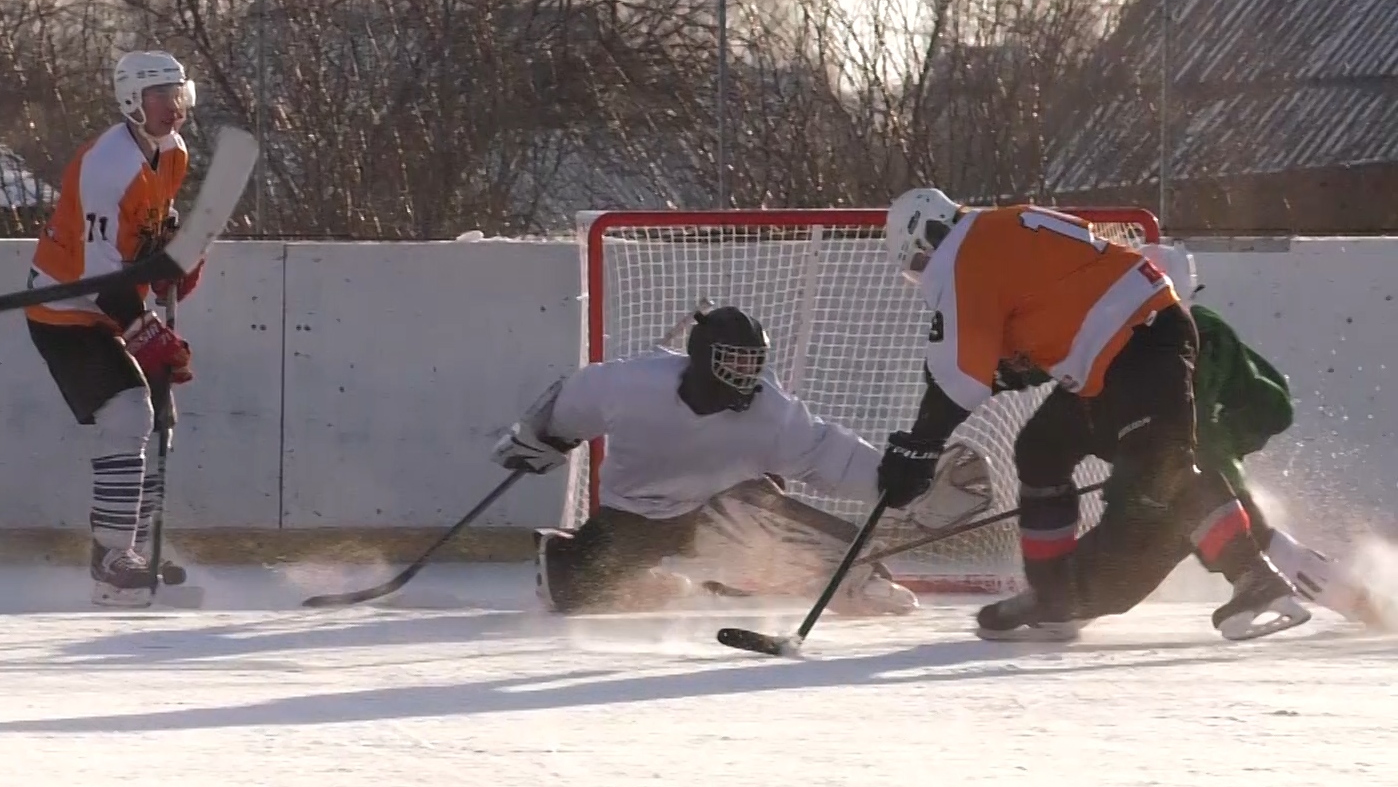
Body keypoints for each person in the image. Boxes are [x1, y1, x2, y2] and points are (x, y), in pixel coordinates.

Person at [874, 189, 1308, 642]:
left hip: (1139, 340)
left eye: (918, 263)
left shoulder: (968, 254)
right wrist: (929, 430)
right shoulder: (995, 233)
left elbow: (960, 379)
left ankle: (1256, 578)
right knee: (1041, 448)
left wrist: (919, 446)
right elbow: (1028, 334)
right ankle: (1053, 592)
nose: (922, 276)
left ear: (929, 234)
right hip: (1111, 350)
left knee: (1164, 469)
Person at [981, 243, 1385, 634]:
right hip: (1194, 483)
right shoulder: (1191, 332)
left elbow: (1269, 408)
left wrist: (1195, 451)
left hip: (1180, 493)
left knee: (1133, 564)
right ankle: (1370, 605)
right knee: (1265, 544)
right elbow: (1271, 406)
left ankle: (1063, 607)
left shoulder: (1123, 342)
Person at [488, 305, 985, 615]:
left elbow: (824, 453)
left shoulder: (769, 411)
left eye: (753, 363)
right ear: (703, 358)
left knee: (752, 517)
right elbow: (571, 399)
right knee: (570, 589)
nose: (746, 375)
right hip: (635, 517)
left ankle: (853, 580)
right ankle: (649, 576)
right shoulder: (633, 384)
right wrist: (539, 439)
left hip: (723, 507)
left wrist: (897, 483)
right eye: (734, 362)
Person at [24, 51, 203, 608]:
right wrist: (147, 330)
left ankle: (131, 550)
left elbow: (146, 234)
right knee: (129, 412)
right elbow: (99, 272)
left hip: (109, 302)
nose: (173, 108)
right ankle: (110, 561)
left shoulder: (171, 154)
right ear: (132, 100)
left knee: (154, 423)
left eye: (178, 94)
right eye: (159, 97)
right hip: (65, 309)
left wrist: (170, 260)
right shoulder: (108, 165)